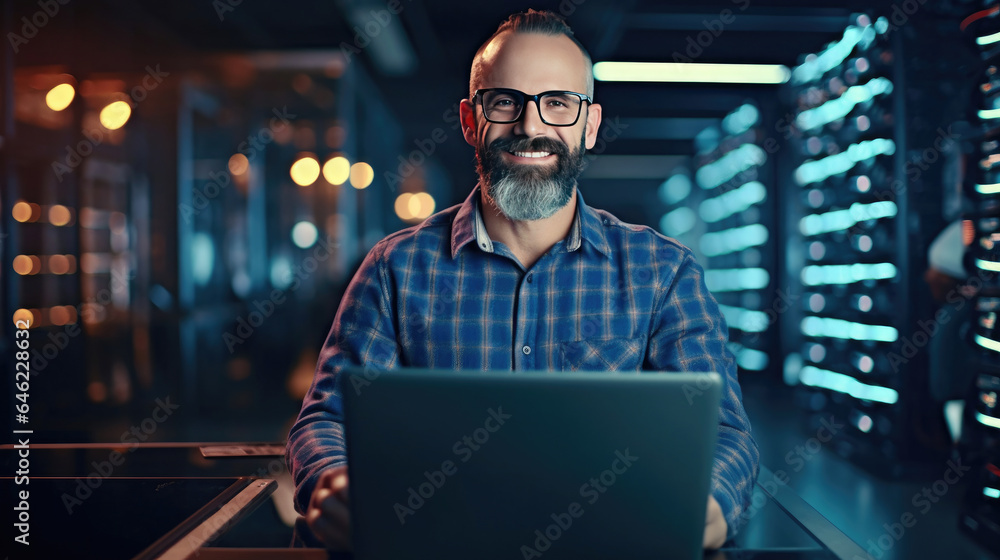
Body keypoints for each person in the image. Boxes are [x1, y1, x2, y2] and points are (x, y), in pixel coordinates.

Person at [287, 9, 759, 552]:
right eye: (505, 101)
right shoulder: (396, 269)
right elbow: (326, 418)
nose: (531, 127)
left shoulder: (664, 274)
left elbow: (726, 433)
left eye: (558, 103)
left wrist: (710, 504)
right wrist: (330, 482)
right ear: (470, 120)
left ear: (590, 124)